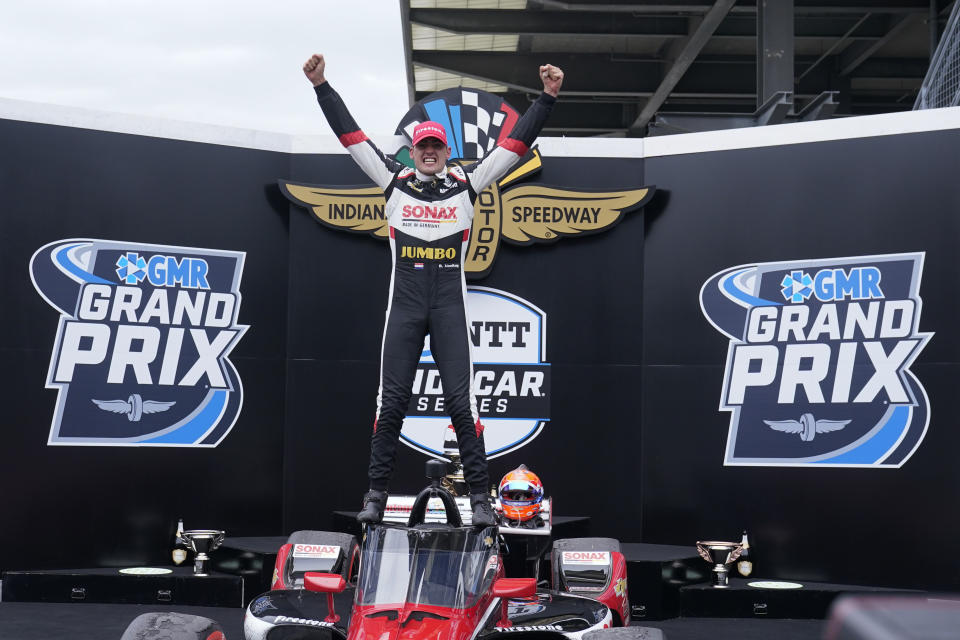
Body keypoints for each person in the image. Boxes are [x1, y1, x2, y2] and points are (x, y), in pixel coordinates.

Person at [303, 53, 564, 527]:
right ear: (413, 151)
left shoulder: (468, 182)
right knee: (392, 400)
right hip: (404, 302)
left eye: (436, 148)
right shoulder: (393, 180)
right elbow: (352, 138)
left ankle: (481, 500)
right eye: (422, 147)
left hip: (448, 301)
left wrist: (546, 99)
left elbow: (514, 145)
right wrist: (322, 86)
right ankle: (377, 495)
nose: (428, 154)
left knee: (463, 402)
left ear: (446, 152)